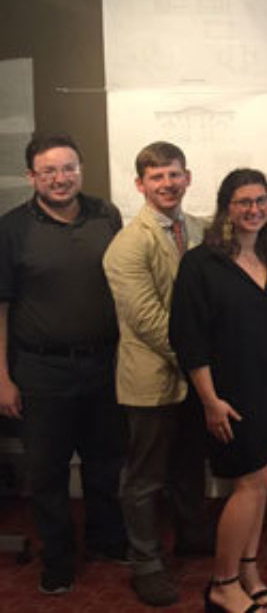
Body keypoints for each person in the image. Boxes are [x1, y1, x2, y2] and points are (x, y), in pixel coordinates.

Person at [170, 168, 267, 612]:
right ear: (227, 207)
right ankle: (222, 584)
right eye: (244, 202)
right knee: (250, 481)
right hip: (227, 394)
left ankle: (247, 567)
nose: (254, 210)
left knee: (262, 478)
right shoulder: (200, 264)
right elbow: (188, 339)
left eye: (261, 201)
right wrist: (210, 400)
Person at [0, 133, 127, 595]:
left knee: (105, 463)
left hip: (103, 365)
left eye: (68, 168)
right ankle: (57, 559)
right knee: (48, 472)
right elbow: (2, 309)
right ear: (32, 176)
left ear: (80, 170)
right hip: (40, 371)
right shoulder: (11, 228)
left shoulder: (105, 215)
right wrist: (2, 379)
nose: (60, 178)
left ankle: (105, 540)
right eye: (49, 170)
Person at [103, 141, 211, 606]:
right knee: (145, 478)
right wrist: (199, 362)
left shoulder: (203, 230)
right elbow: (147, 321)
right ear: (140, 185)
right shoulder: (128, 245)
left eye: (174, 174)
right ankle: (145, 563)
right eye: (156, 177)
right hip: (152, 381)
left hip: (194, 379)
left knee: (189, 466)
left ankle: (190, 536)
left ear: (187, 177)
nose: (167, 184)